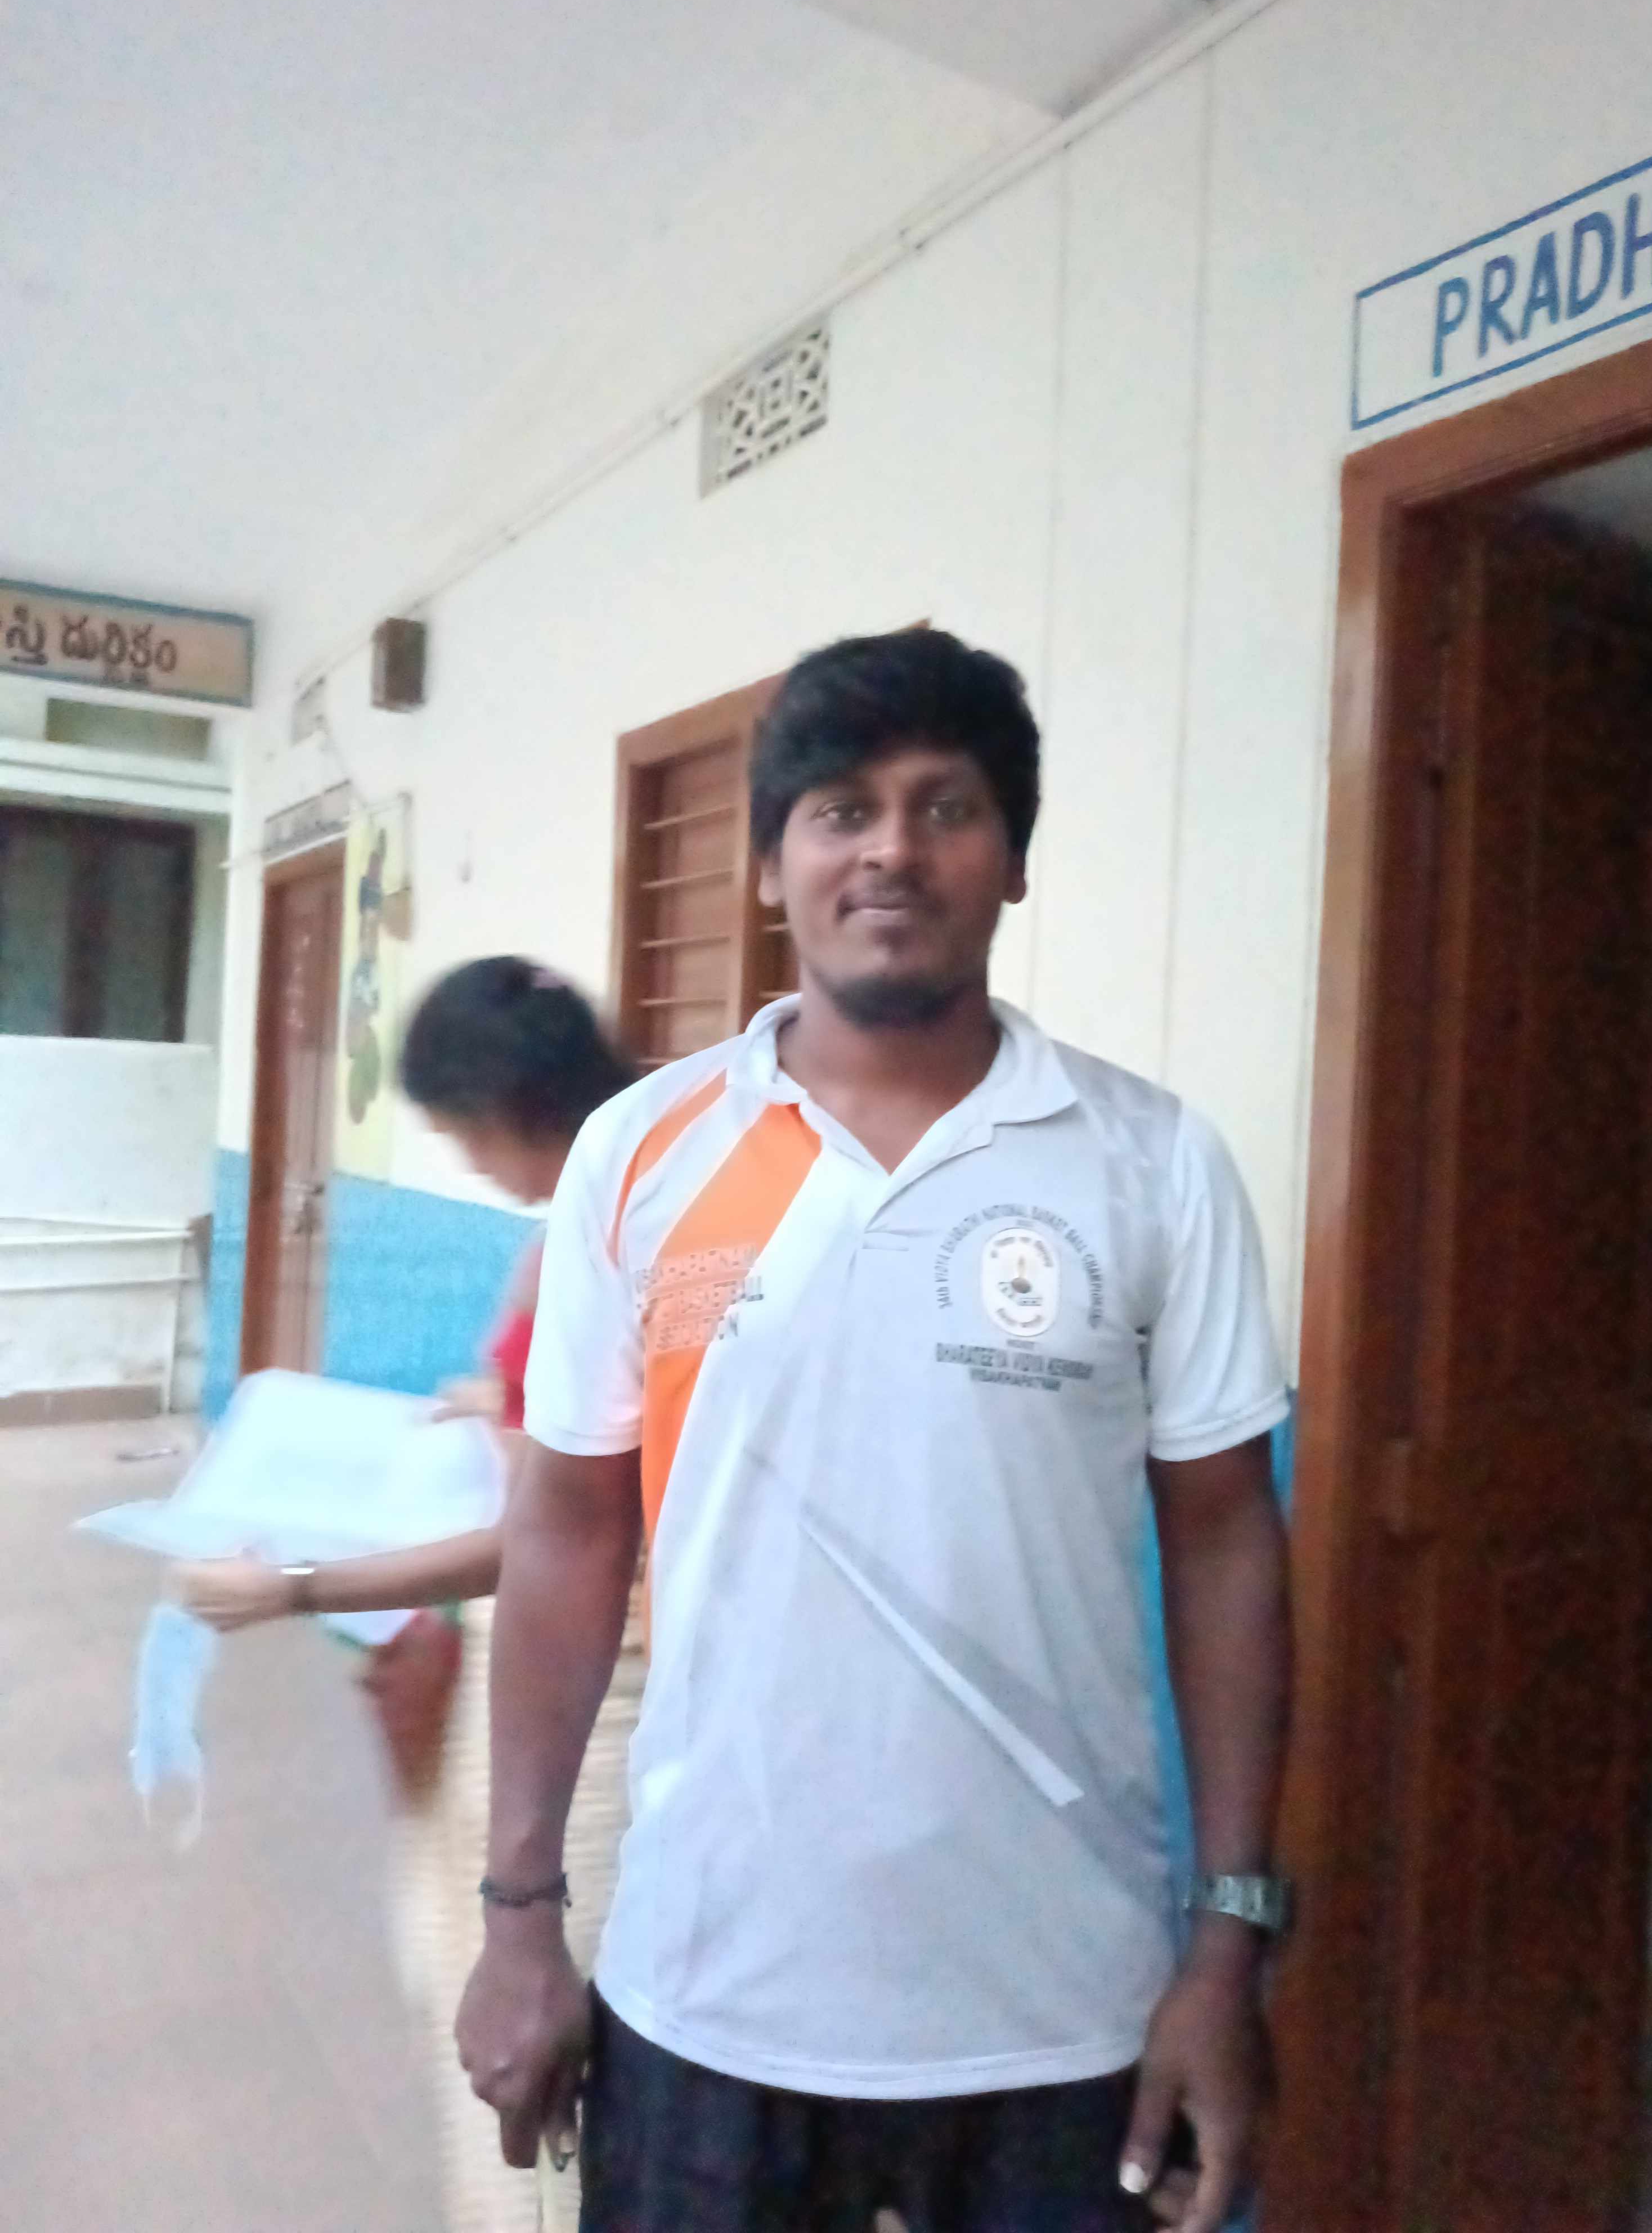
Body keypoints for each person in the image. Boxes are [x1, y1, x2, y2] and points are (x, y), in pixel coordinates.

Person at [455, 630, 1294, 2233]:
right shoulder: (646, 1151)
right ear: (773, 862)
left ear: (1014, 860)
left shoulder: (1150, 1161)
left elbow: (1226, 1540)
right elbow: (567, 1527)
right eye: (842, 809)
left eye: (946, 806)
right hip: (709, 1992)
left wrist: (1228, 1940)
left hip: (1068, 2008)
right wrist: (517, 1914)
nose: (893, 849)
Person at [178, 958, 637, 2233]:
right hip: (547, 1646)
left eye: (457, 1131)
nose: (465, 1160)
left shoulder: (613, 1227)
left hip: (598, 1679)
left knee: (529, 2001)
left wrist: (301, 1585)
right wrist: (495, 1402)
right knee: (460, 1943)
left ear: (504, 1107)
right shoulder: (593, 1212)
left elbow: (549, 1538)